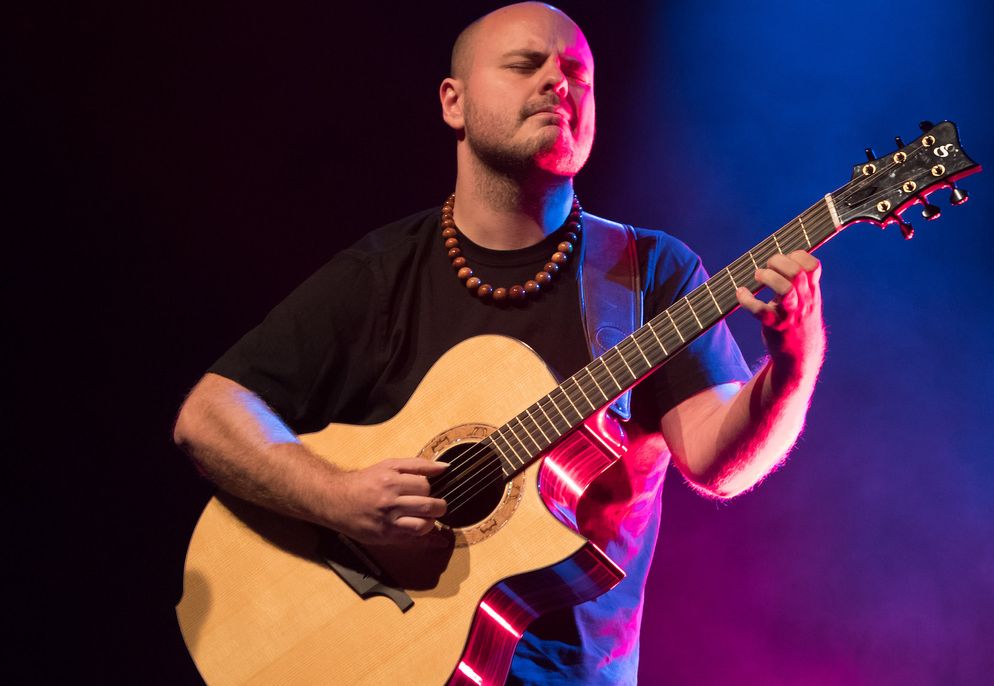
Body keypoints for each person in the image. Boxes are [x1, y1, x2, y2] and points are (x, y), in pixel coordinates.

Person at [172, 2, 825, 684]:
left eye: (579, 73)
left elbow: (719, 464)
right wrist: (338, 498)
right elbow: (209, 415)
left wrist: (793, 360)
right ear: (453, 103)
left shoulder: (649, 275)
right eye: (524, 65)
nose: (559, 83)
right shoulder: (383, 273)